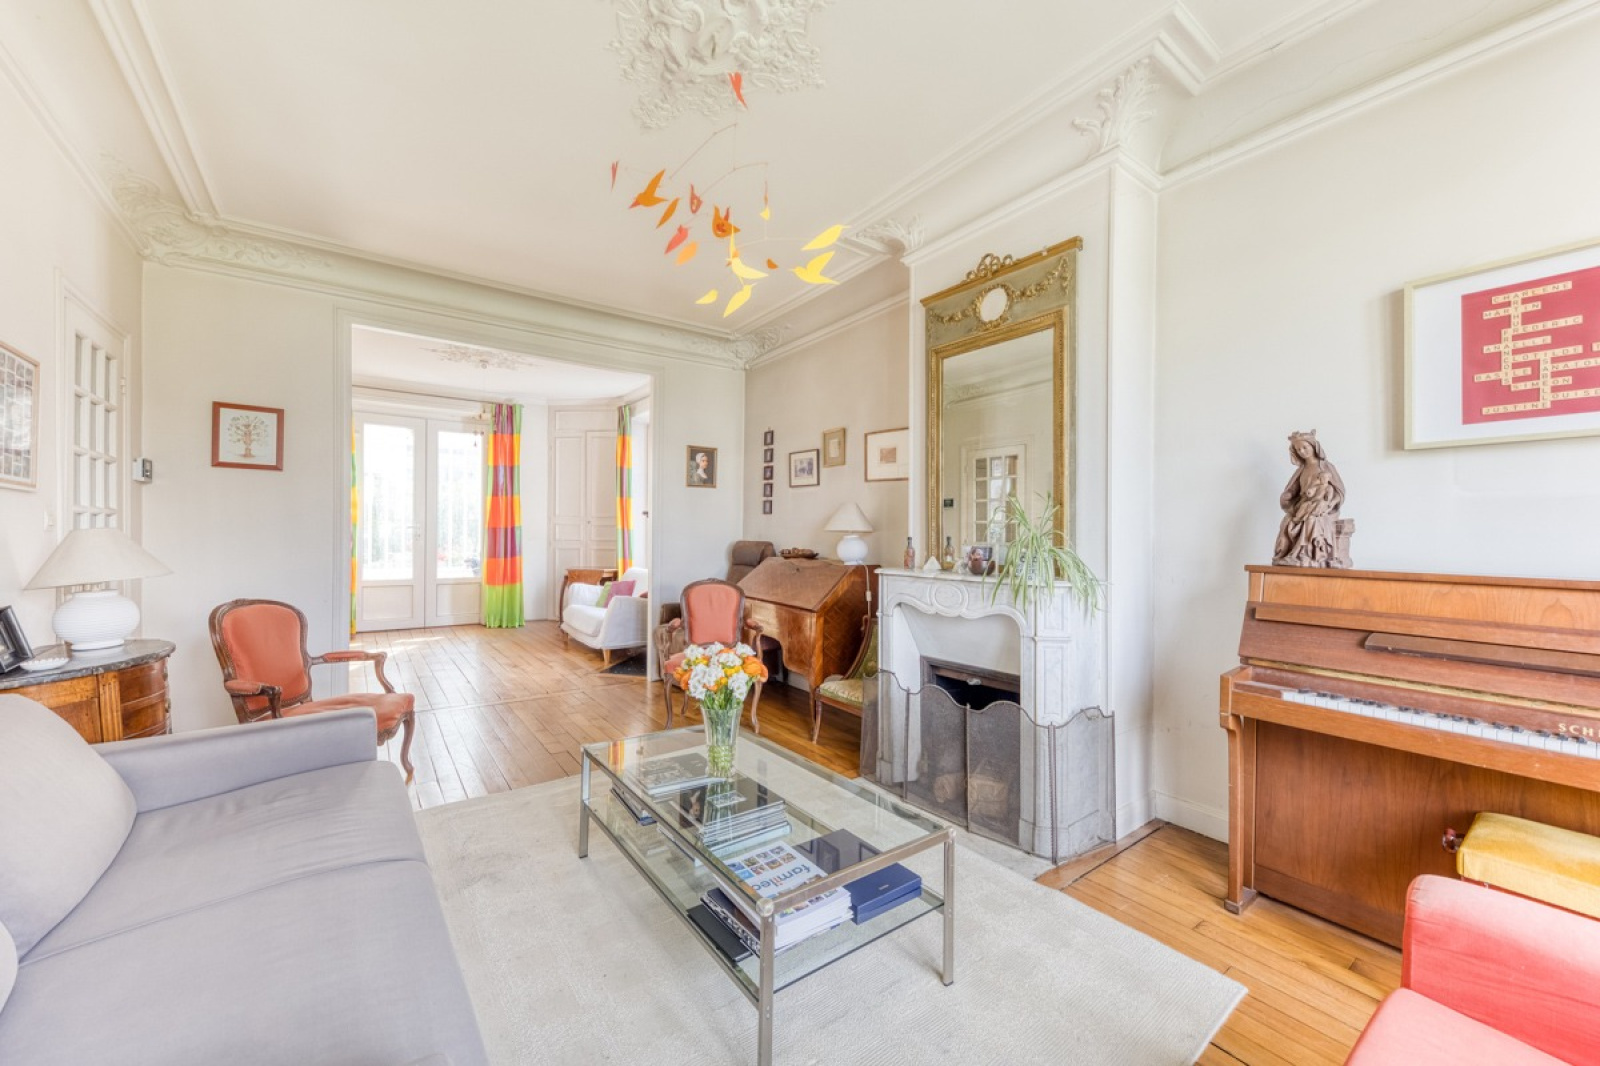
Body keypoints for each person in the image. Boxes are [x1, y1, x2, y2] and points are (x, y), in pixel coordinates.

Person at [1273, 430, 1347, 567]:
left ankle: (1303, 554)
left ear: (1314, 446)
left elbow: (1339, 492)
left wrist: (1328, 504)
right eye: (1298, 449)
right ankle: (1287, 555)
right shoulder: (1301, 470)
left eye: (1305, 447)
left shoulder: (1326, 467)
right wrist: (1287, 496)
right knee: (1287, 522)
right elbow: (1293, 490)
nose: (1302, 451)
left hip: (1323, 508)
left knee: (1311, 520)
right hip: (1303, 504)